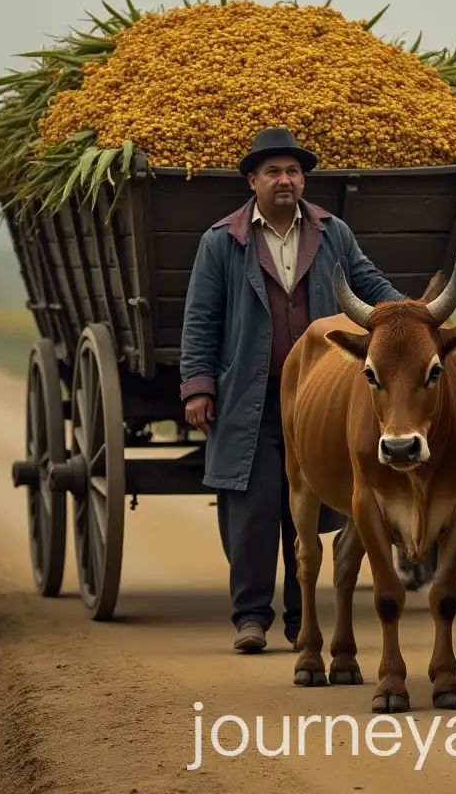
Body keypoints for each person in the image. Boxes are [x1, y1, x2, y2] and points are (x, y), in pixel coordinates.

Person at [179, 127, 404, 653]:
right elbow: (200, 319)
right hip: (251, 396)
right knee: (254, 508)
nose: (285, 180)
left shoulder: (332, 233)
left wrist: (410, 321)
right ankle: (250, 618)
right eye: (274, 172)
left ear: (303, 181)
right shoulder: (222, 241)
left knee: (309, 504)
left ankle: (302, 619)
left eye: (294, 172)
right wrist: (198, 387)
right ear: (252, 182)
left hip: (314, 397)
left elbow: (370, 285)